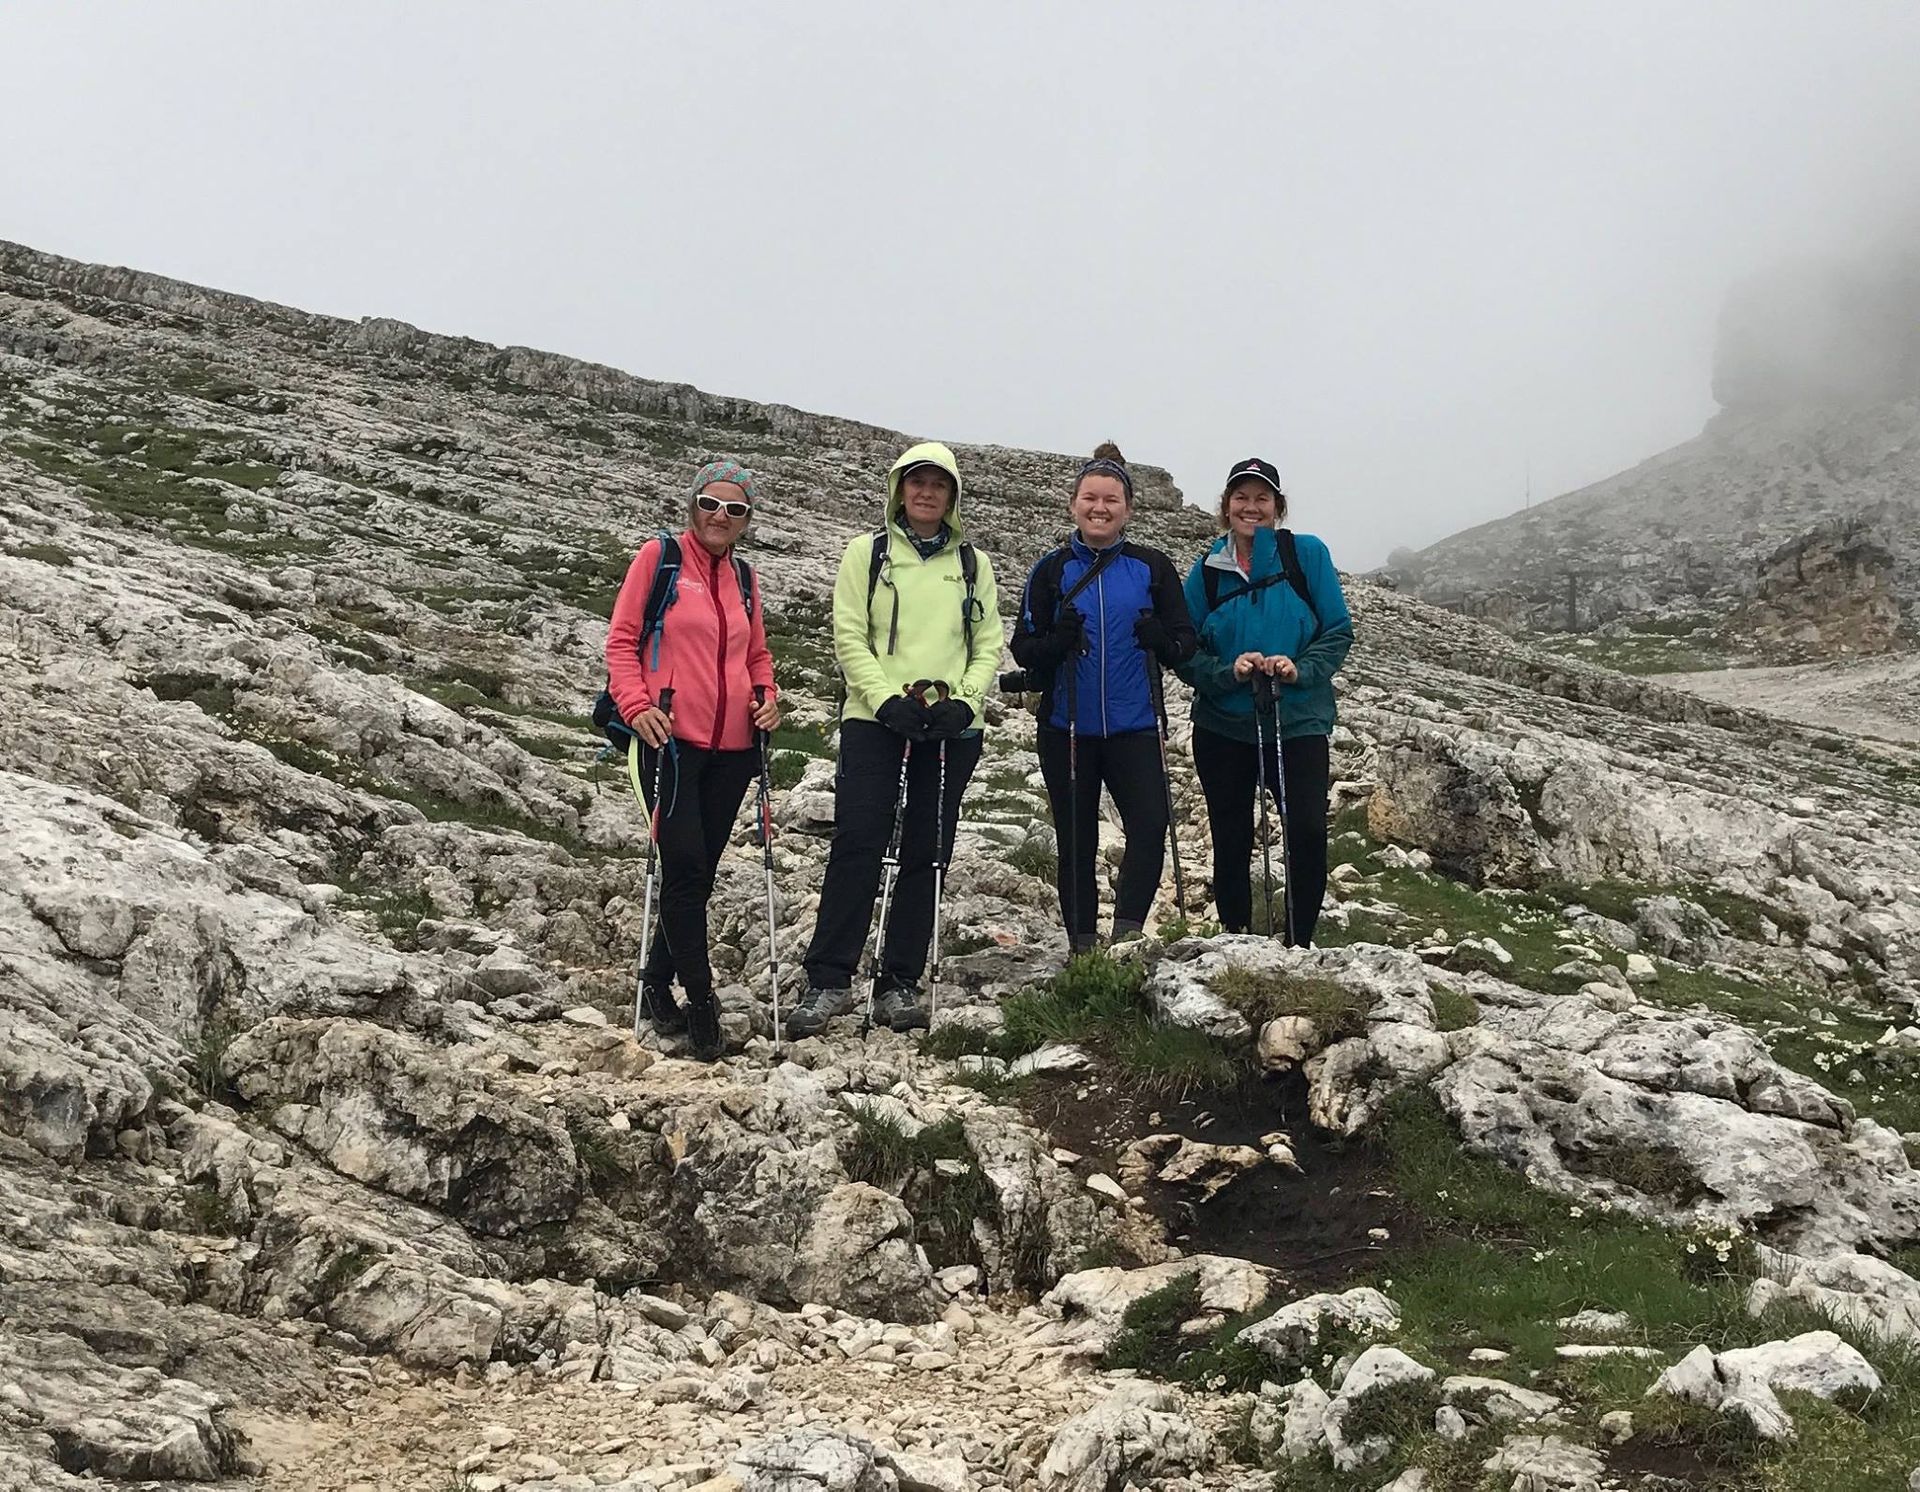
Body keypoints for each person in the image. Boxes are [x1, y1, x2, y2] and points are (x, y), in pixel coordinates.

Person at [786, 441, 1003, 1036]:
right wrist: (883, 700)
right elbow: (849, 633)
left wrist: (964, 702)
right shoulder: (868, 553)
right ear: (899, 489)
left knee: (927, 848)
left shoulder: (974, 564)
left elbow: (987, 643)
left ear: (953, 495)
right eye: (916, 482)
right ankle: (829, 978)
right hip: (873, 719)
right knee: (859, 836)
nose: (926, 493)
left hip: (952, 726)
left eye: (938, 484)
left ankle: (899, 982)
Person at [604, 458, 779, 1058]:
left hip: (732, 750)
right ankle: (700, 1003)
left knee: (698, 874)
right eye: (710, 503)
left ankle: (655, 981)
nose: (720, 516)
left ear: (747, 520)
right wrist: (634, 706)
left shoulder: (747, 580)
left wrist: (768, 700)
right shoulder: (659, 560)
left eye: (735, 509)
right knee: (682, 869)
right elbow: (622, 641)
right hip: (668, 744)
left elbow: (757, 657)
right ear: (692, 505)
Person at [1011, 442, 1196, 950]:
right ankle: (1082, 944)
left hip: (1135, 726)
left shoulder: (1152, 567)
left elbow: (1185, 642)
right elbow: (1024, 648)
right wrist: (1056, 644)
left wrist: (1161, 638)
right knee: (1076, 839)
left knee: (1150, 825)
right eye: (1090, 497)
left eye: (1111, 499)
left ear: (1128, 509)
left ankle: (1128, 937)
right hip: (1067, 726)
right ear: (1073, 503)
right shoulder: (1050, 571)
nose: (1100, 507)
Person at [1178, 457, 1352, 944]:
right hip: (1223, 725)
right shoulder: (1208, 570)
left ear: (1277, 507)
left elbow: (1337, 632)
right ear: (1226, 506)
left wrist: (1301, 669)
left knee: (1307, 834)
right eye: (1241, 497)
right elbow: (1185, 647)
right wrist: (1225, 672)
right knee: (1230, 837)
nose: (1250, 507)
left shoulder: (1306, 556)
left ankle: (1299, 941)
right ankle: (1236, 939)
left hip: (1296, 721)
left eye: (1261, 498)